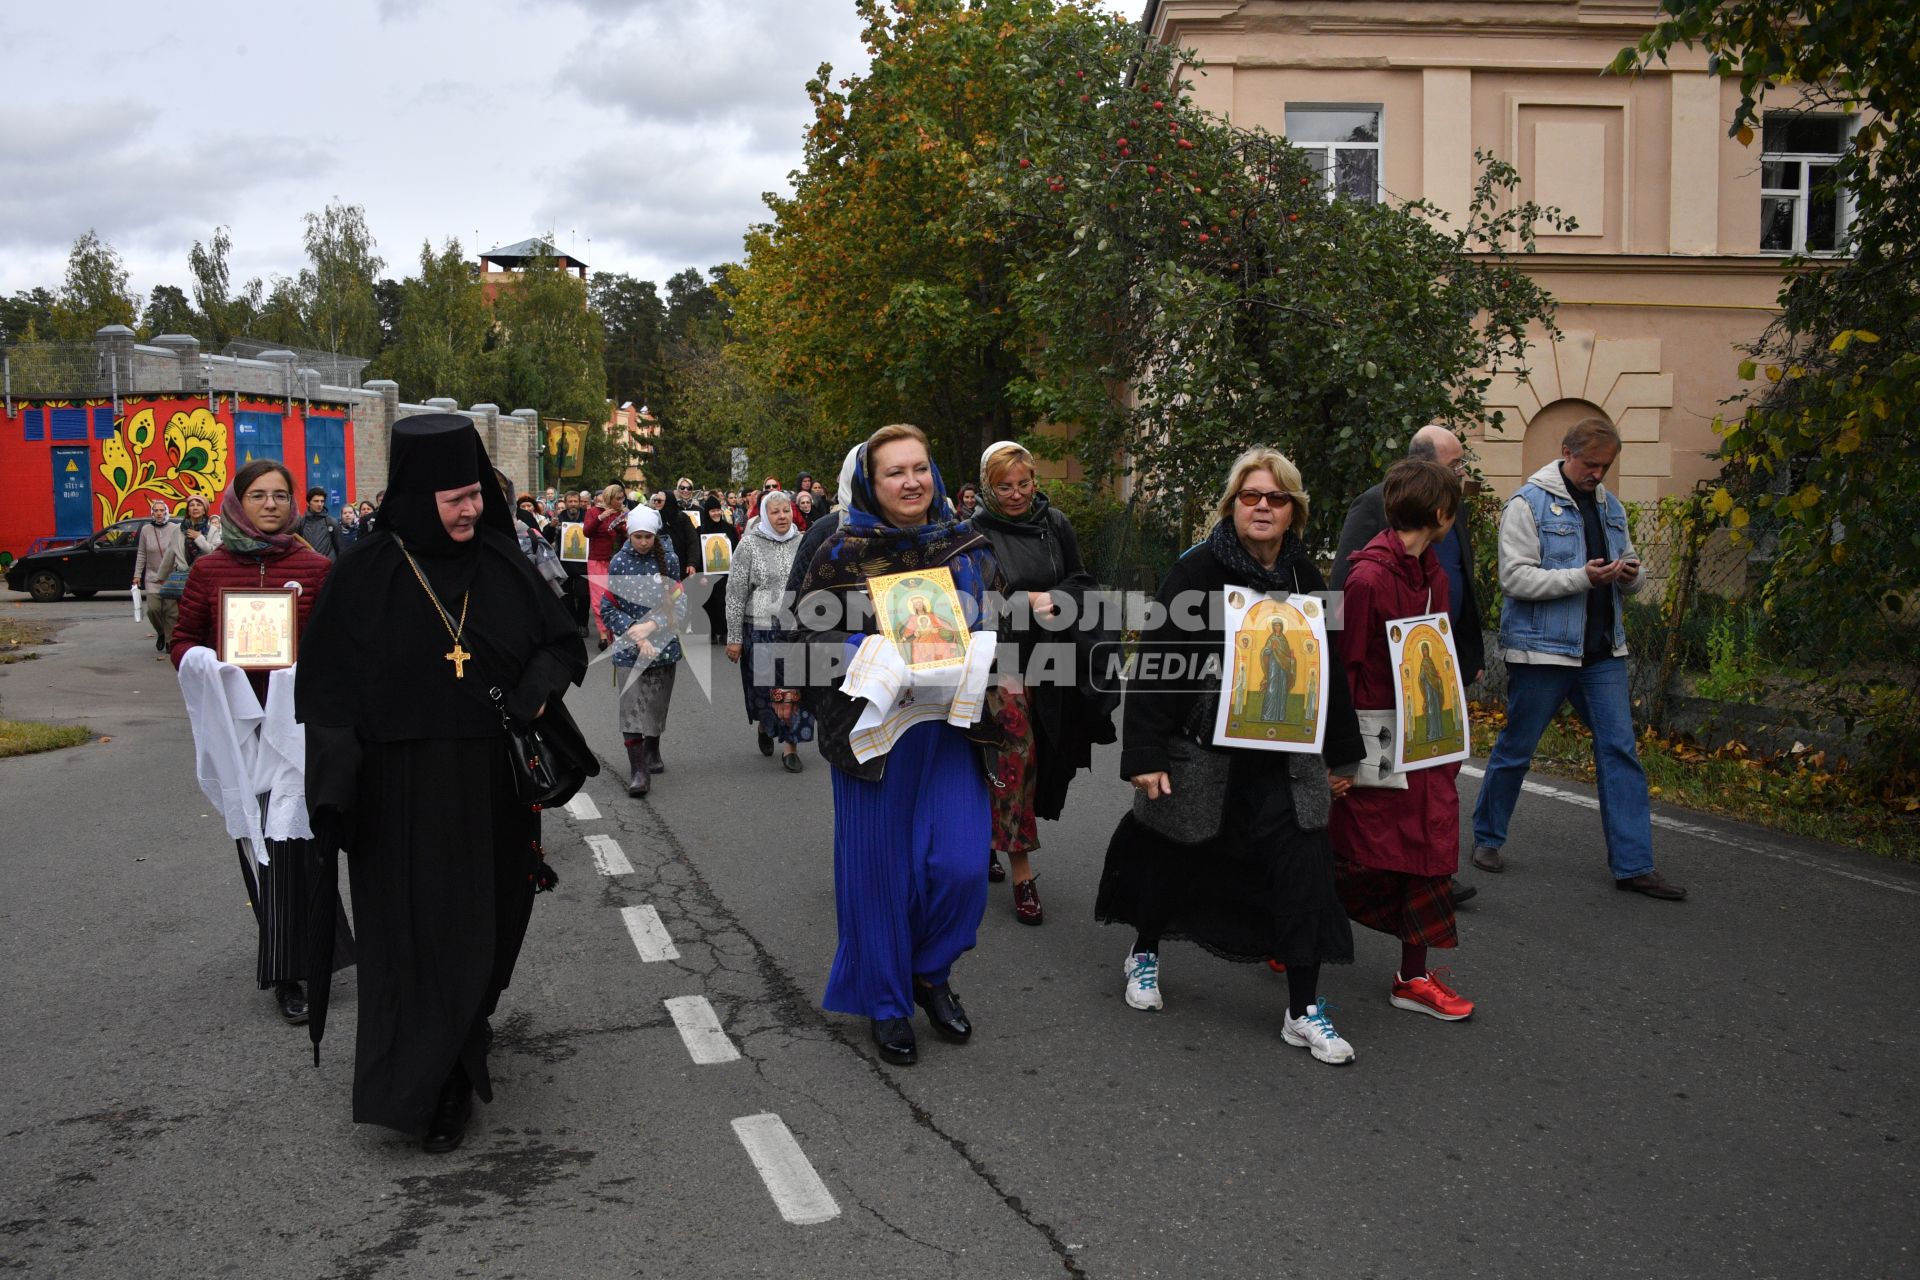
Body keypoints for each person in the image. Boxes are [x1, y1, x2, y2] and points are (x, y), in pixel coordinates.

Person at [296, 415, 587, 1153]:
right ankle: (434, 1082)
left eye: (475, 495)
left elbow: (560, 642)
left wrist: (533, 693)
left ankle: (467, 1027)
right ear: (419, 495)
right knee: (415, 935)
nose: (471, 510)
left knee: (488, 921)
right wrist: (333, 785)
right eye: (455, 499)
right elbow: (326, 691)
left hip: (491, 784)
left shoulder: (500, 560)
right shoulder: (364, 572)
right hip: (398, 793)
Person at [1095, 446, 1365, 1065]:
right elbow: (1157, 665)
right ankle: (1144, 952)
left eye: (1275, 498)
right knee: (1170, 855)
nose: (1262, 507)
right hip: (1202, 751)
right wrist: (1146, 752)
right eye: (1251, 497)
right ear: (1232, 506)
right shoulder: (1196, 571)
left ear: (1293, 510)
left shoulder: (1304, 578)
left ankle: (1303, 1010)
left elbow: (1328, 669)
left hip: (1284, 758)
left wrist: (1340, 756)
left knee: (1304, 871)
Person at [791, 424, 1016, 1066]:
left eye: (920, 467)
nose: (911, 481)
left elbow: (1000, 622)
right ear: (871, 481)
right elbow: (798, 643)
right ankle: (888, 1003)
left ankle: (929, 969)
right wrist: (865, 652)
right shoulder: (836, 550)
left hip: (951, 727)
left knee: (963, 866)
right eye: (895, 472)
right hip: (874, 733)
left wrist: (993, 651)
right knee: (878, 875)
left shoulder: (968, 544)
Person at [1470, 418, 1686, 900]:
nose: (1598, 475)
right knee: (1516, 750)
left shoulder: (1611, 507)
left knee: (1620, 752)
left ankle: (1634, 866)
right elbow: (1515, 579)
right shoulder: (1527, 504)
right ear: (1566, 452)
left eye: (1605, 467)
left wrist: (1630, 574)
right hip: (1542, 652)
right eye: (1591, 465)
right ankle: (1487, 839)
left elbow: (1632, 569)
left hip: (1602, 654)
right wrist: (1583, 577)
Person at [170, 459, 345, 1026]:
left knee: (309, 845)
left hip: (301, 730)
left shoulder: (315, 566)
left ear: (294, 502)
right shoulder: (211, 569)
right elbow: (182, 641)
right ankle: (286, 973)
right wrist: (208, 665)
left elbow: (341, 642)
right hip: (244, 732)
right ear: (237, 502)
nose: (270, 504)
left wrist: (310, 670)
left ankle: (316, 953)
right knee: (266, 851)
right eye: (258, 495)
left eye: (279, 495)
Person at [1331, 459, 1477, 1023]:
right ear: (1441, 514)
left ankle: (1412, 975)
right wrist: (1340, 754)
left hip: (1423, 738)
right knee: (1349, 848)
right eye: (1454, 511)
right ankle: (1288, 929)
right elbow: (1346, 669)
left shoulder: (1431, 572)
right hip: (1374, 742)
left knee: (1429, 848)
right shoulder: (1366, 578)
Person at [969, 441, 1116, 924]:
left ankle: (991, 835)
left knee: (1045, 755)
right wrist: (1020, 603)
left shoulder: (1054, 526)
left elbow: (1082, 581)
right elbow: (967, 607)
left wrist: (1052, 597)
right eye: (1004, 486)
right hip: (998, 662)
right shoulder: (973, 534)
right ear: (988, 488)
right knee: (1016, 756)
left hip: (1051, 658)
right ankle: (1023, 875)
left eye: (1024, 483)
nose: (1016, 495)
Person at [726, 490, 815, 772]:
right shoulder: (749, 545)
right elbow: (735, 593)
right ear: (765, 514)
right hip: (760, 628)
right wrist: (734, 638)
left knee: (794, 687)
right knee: (765, 690)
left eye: (786, 511)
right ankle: (766, 725)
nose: (781, 517)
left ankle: (791, 747)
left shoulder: (803, 542)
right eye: (775, 512)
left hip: (794, 629)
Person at [601, 506, 684, 796]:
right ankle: (638, 770)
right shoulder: (618, 563)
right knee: (631, 709)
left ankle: (652, 747)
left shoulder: (669, 560)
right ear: (629, 534)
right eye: (638, 536)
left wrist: (652, 626)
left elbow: (679, 604)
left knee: (655, 706)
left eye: (648, 536)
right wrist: (636, 633)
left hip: (663, 646)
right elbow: (608, 608)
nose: (643, 542)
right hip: (628, 648)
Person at [133, 499, 186, 653]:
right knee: (153, 610)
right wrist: (137, 574)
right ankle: (161, 632)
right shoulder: (146, 530)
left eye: (162, 510)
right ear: (152, 513)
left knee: (171, 612)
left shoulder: (175, 528)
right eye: (156, 510)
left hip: (171, 577)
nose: (159, 513)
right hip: (152, 577)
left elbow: (179, 550)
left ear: (166, 512)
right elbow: (142, 553)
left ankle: (170, 641)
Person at [584, 484, 628, 651]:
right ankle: (603, 635)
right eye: (617, 499)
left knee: (616, 598)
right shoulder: (593, 512)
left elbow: (627, 535)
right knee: (598, 599)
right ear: (609, 498)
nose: (620, 501)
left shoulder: (622, 513)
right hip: (597, 560)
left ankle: (614, 632)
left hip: (616, 560)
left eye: (622, 498)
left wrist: (622, 525)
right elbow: (587, 532)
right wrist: (601, 517)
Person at [296, 488, 340, 559]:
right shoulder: (301, 523)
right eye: (316, 501)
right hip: (308, 565)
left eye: (322, 501)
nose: (320, 504)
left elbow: (340, 548)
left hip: (328, 566)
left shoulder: (332, 522)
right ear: (308, 503)